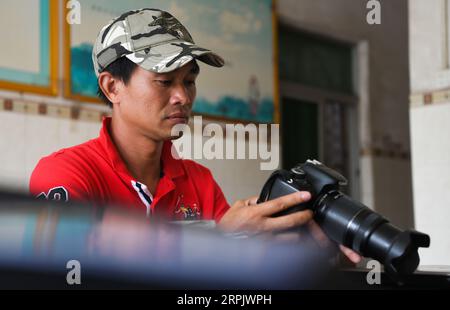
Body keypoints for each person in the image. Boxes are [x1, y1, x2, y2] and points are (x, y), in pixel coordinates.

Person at [29, 8, 360, 263]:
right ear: (112, 86)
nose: (183, 98)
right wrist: (221, 236)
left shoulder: (198, 182)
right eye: (164, 81)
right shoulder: (67, 174)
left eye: (188, 81)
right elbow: (67, 270)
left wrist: (298, 244)